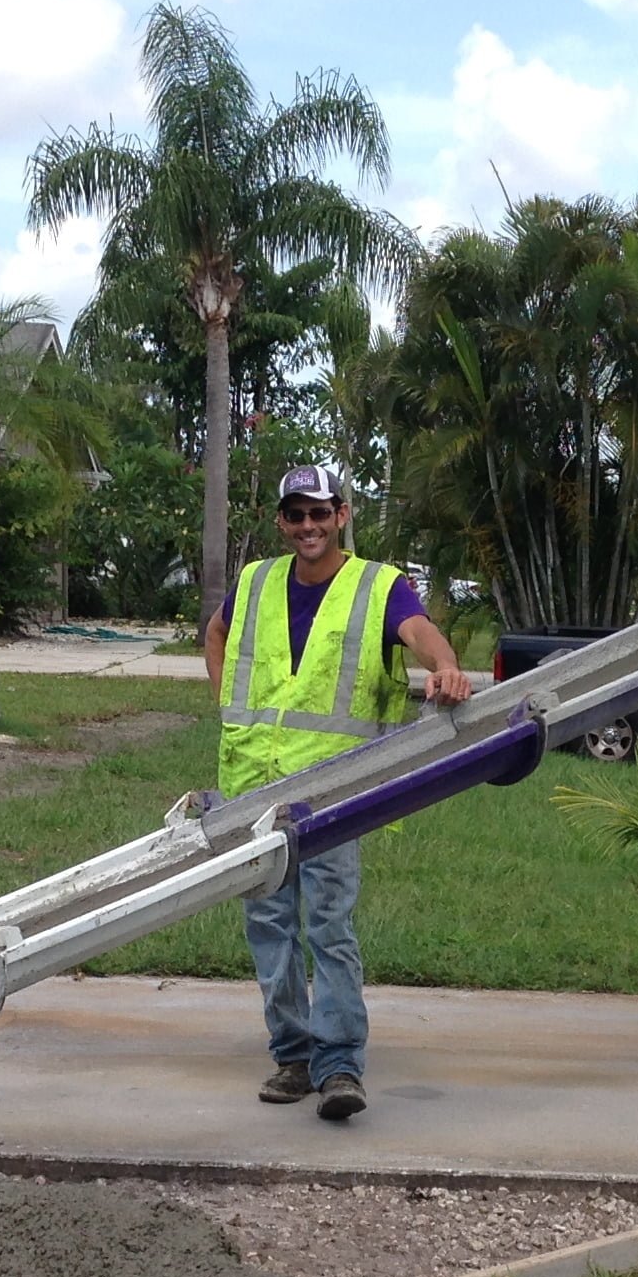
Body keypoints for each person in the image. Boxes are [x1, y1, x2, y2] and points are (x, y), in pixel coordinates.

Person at [202, 463, 471, 1121]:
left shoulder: (379, 586)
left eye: (320, 513)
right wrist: (226, 706)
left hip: (333, 793)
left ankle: (341, 1065)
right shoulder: (256, 581)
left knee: (326, 924)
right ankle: (293, 1056)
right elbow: (214, 634)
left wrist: (445, 666)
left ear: (342, 516)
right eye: (295, 515)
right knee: (268, 925)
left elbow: (418, 631)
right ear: (281, 522)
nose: (308, 526)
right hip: (253, 787)